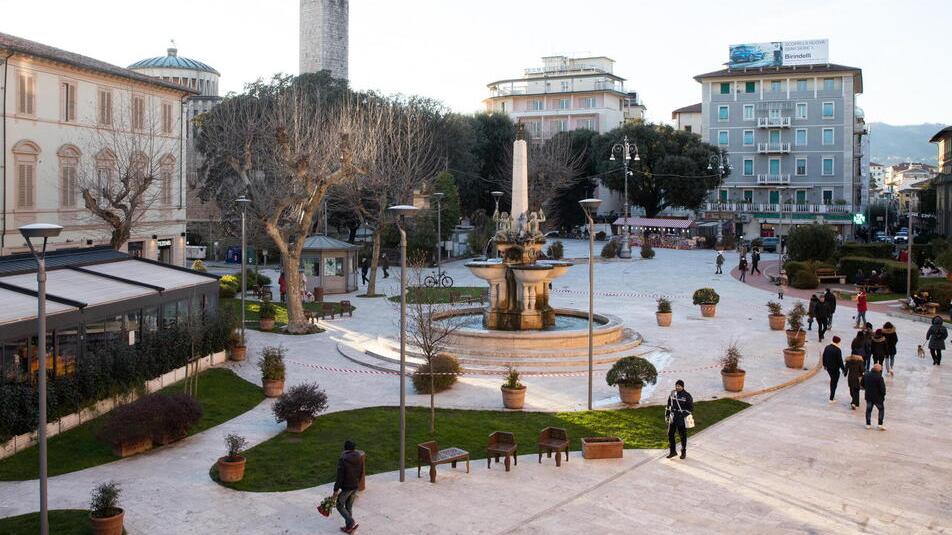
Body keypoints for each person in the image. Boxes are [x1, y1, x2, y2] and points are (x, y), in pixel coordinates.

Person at [333, 440, 364, 533]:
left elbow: (340, 476)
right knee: (348, 506)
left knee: (339, 505)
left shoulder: (343, 459)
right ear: (354, 448)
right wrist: (357, 482)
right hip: (355, 485)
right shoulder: (359, 457)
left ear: (345, 448)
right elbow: (361, 471)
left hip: (347, 487)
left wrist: (336, 489)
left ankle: (351, 522)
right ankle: (349, 527)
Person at [665, 380, 693, 460]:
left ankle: (683, 452)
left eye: (679, 386)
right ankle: (672, 451)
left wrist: (682, 415)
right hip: (673, 417)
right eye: (676, 386)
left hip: (681, 419)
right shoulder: (672, 393)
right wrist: (667, 415)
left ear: (682, 386)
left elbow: (690, 409)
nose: (677, 387)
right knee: (670, 434)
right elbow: (669, 405)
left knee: (682, 436)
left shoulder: (687, 395)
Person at [862, 363, 887, 430]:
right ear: (879, 370)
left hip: (868, 396)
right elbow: (882, 389)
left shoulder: (866, 375)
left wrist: (867, 389)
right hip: (877, 398)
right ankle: (880, 424)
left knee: (868, 410)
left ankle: (868, 424)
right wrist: (883, 396)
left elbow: (862, 384)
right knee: (881, 409)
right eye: (881, 369)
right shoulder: (879, 377)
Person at [822, 336, 845, 403]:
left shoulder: (827, 347)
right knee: (834, 382)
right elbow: (840, 361)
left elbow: (824, 356)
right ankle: (831, 398)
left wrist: (824, 365)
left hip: (828, 368)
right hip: (835, 369)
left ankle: (832, 396)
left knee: (833, 381)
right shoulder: (838, 350)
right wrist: (843, 369)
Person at [845, 339, 866, 410]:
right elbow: (862, 370)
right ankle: (855, 402)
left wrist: (845, 373)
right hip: (858, 377)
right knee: (856, 390)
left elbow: (846, 369)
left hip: (850, 377)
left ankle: (854, 402)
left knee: (851, 390)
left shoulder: (848, 361)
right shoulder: (860, 361)